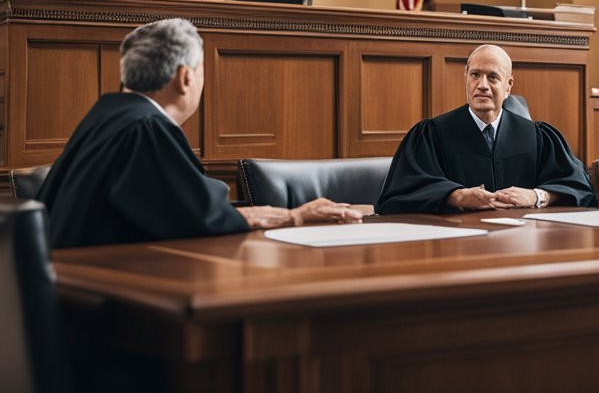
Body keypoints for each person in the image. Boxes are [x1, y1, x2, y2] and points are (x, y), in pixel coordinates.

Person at [37, 18, 361, 248]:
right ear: (185, 77)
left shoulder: (107, 116)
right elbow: (198, 221)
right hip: (100, 320)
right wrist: (294, 217)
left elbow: (175, 211)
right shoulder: (144, 127)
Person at [376, 44, 595, 214]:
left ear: (508, 86)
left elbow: (580, 189)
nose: (482, 85)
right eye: (475, 75)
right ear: (465, 79)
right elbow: (398, 196)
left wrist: (536, 196)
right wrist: (456, 197)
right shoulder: (433, 134)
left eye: (492, 77)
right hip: (456, 245)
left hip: (523, 245)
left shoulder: (538, 137)